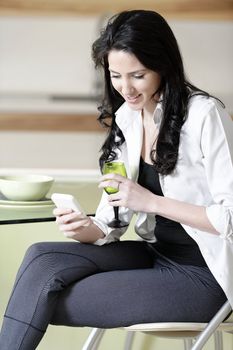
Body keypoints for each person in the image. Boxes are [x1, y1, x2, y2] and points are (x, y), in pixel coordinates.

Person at [0, 9, 233, 350]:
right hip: (157, 254)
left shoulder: (204, 115)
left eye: (138, 75)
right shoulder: (128, 117)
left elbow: (230, 217)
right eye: (116, 75)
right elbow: (113, 224)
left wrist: (150, 201)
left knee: (39, 296)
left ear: (163, 66)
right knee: (41, 259)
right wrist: (87, 228)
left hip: (205, 273)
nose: (126, 88)